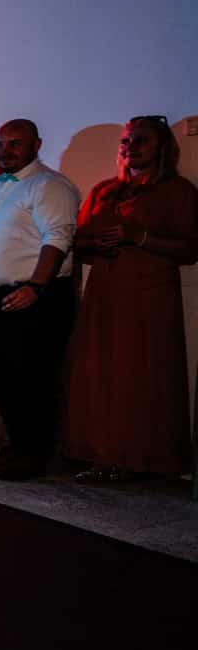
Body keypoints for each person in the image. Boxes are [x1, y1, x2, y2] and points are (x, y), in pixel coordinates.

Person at [63, 116, 198, 483]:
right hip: (105, 295)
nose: (130, 147)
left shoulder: (178, 191)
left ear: (161, 148)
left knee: (141, 375)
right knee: (100, 374)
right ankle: (100, 454)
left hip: (149, 298)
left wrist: (140, 238)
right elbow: (79, 239)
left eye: (141, 140)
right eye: (125, 141)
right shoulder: (106, 190)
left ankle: (142, 459)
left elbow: (189, 247)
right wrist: (99, 243)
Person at [0, 120, 81, 480]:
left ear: (37, 145)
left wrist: (36, 286)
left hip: (32, 296)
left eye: (15, 144)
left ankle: (35, 455)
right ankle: (18, 446)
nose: (4, 151)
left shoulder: (50, 185)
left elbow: (58, 238)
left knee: (31, 378)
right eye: (0, 145)